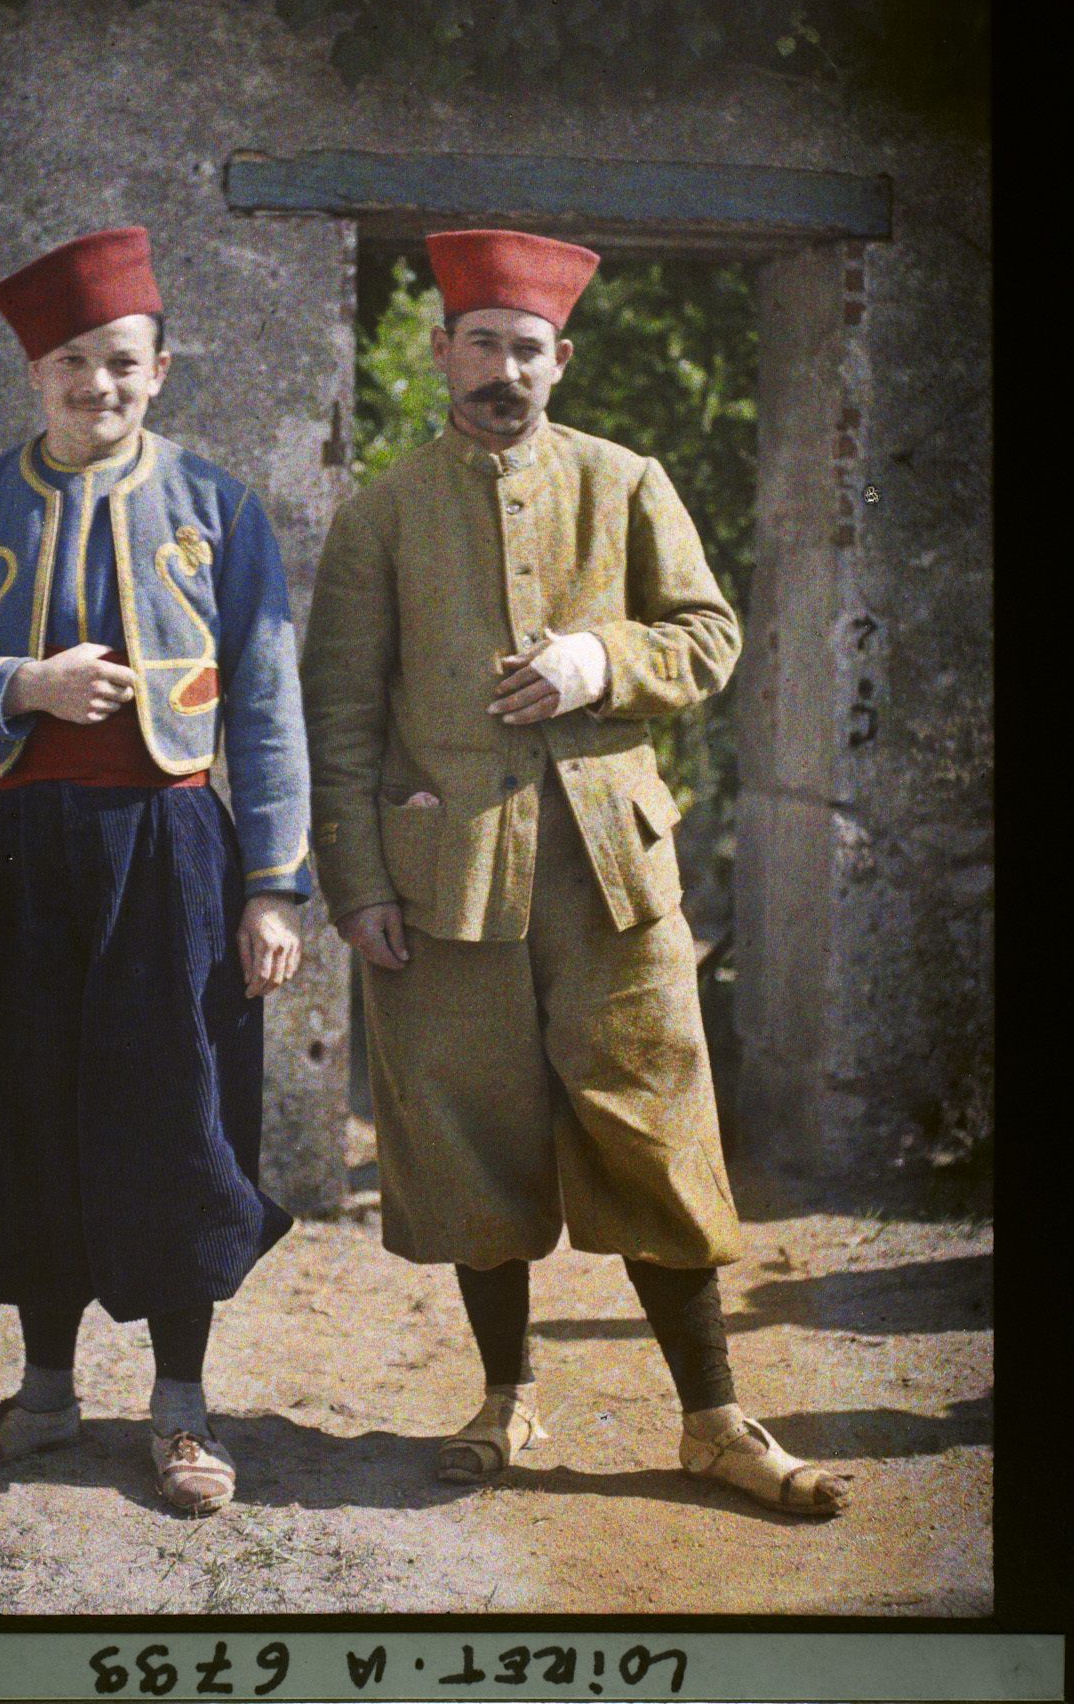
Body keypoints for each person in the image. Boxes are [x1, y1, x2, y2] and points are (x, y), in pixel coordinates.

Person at [301, 228, 850, 1517]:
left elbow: (709, 638)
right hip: (448, 885)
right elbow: (339, 719)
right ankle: (504, 1394)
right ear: (442, 354)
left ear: (564, 361)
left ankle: (714, 1420)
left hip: (614, 873)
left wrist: (600, 664)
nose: (505, 368)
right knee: (468, 1140)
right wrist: (359, 881)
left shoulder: (627, 481)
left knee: (657, 1129)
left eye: (528, 348)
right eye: (481, 343)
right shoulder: (381, 516)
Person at [0, 226, 311, 1515]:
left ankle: (179, 1412)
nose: (96, 387)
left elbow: (268, 702)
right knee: (15, 1110)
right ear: (34, 374)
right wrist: (20, 683)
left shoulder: (217, 507)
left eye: (121, 363)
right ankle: (47, 1399)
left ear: (160, 370)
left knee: (181, 1116)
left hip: (172, 853)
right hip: (9, 857)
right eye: (71, 363)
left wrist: (274, 883)